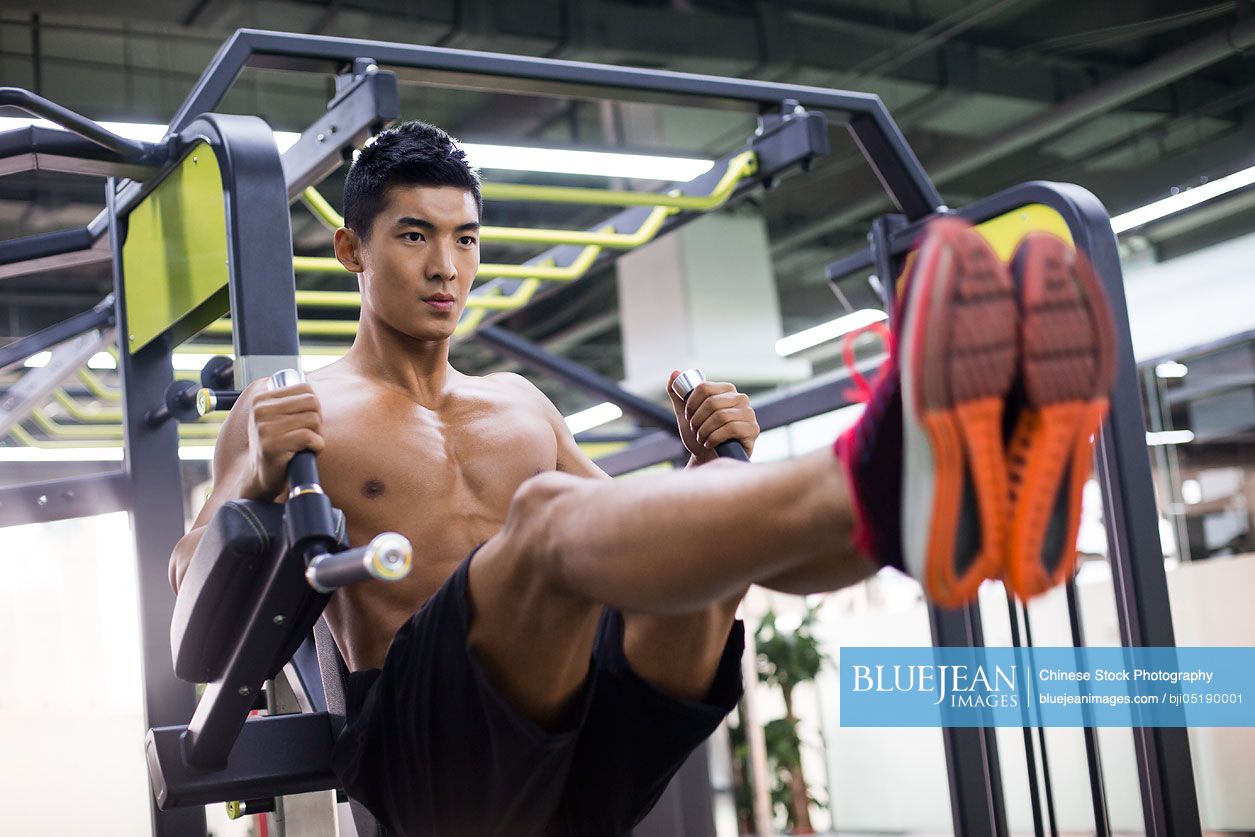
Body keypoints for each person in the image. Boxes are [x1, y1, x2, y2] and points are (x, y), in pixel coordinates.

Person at [169, 121, 1114, 836]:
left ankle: (917, 517)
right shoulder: (294, 408)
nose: (446, 267)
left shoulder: (520, 405)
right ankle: (878, 473)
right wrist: (250, 469)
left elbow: (632, 533)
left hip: (589, 764)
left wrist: (710, 471)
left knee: (697, 547)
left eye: (465, 239)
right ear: (352, 251)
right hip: (436, 767)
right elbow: (187, 609)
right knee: (543, 519)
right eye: (414, 236)